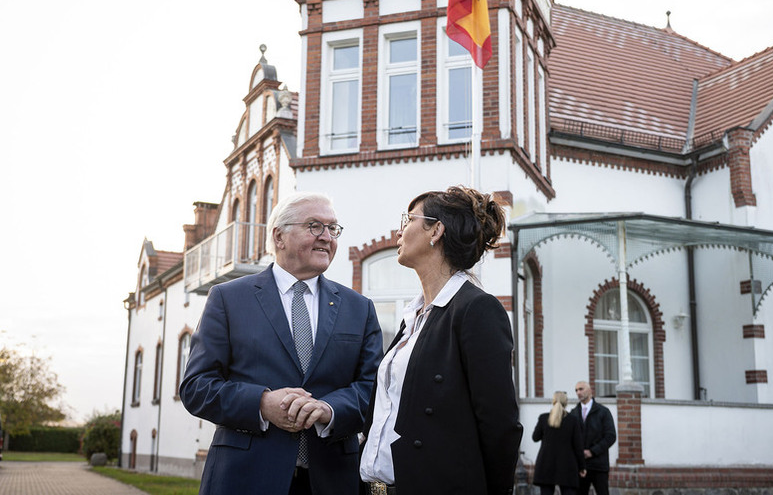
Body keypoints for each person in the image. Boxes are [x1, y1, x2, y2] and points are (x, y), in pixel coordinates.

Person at [180, 192, 383, 495]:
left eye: (333, 228)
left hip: (332, 479)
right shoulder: (228, 299)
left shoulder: (359, 308)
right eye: (315, 226)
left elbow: (374, 389)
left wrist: (330, 410)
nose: (327, 237)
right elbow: (196, 386)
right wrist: (261, 404)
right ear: (279, 237)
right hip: (245, 478)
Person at [359, 186, 523, 495]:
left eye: (408, 219)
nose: (400, 230)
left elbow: (500, 423)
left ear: (436, 230)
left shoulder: (476, 309)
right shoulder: (414, 315)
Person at [532, 391, 585, 495]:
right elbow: (578, 446)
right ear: (566, 402)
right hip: (567, 465)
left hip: (546, 463)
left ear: (553, 401)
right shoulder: (573, 420)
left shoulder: (543, 418)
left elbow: (535, 437)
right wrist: (582, 466)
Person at [568, 381, 616, 495]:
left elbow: (610, 436)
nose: (578, 392)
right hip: (580, 465)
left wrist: (592, 452)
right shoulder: (573, 413)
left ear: (590, 391)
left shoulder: (603, 412)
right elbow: (570, 438)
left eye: (581, 389)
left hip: (599, 465)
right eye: (576, 390)